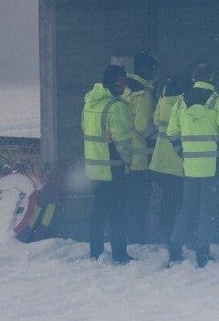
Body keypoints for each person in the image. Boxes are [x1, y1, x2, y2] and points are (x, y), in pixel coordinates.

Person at [165, 61, 219, 268]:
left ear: (193, 79)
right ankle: (202, 252)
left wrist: (183, 153)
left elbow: (171, 133)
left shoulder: (180, 102)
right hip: (213, 166)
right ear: (213, 78)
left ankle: (174, 247)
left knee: (187, 208)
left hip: (190, 166)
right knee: (207, 210)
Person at [81, 63, 136, 264]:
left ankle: (95, 251)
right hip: (114, 169)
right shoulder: (117, 107)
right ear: (117, 82)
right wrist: (129, 162)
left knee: (98, 212)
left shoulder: (89, 103)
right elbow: (123, 142)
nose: (125, 86)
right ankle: (120, 253)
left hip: (94, 169)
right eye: (124, 80)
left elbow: (84, 129)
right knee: (118, 213)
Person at [147, 73, 189, 242]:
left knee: (167, 204)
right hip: (178, 163)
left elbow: (156, 123)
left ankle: (165, 235)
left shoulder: (163, 101)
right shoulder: (184, 105)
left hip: (160, 162)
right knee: (182, 205)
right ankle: (177, 238)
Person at [123, 54, 159, 240]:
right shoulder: (142, 94)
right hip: (139, 161)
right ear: (147, 70)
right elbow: (144, 127)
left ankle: (126, 237)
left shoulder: (124, 89)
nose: (155, 74)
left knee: (125, 203)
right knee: (139, 204)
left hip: (122, 157)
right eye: (153, 69)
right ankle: (137, 240)